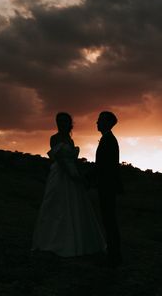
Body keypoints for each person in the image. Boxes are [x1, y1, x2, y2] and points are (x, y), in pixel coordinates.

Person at [32, 112, 106, 257]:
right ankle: (52, 241)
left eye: (65, 121)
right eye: (59, 121)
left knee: (75, 206)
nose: (62, 124)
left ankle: (74, 240)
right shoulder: (54, 138)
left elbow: (73, 161)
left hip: (72, 174)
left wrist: (78, 175)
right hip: (60, 175)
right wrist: (70, 174)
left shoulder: (70, 141)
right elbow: (58, 159)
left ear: (69, 123)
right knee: (56, 205)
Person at [95, 111, 123, 267]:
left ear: (106, 122)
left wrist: (87, 179)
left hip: (107, 187)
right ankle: (113, 254)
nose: (96, 123)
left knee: (109, 220)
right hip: (107, 186)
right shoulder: (108, 139)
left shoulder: (109, 140)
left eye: (99, 120)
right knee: (108, 220)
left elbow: (104, 167)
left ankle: (114, 256)